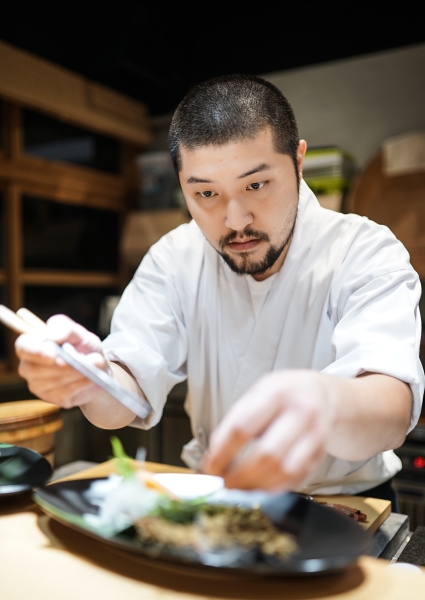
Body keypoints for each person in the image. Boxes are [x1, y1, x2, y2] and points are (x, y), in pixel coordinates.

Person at [15, 75, 424, 502]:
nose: (235, 219)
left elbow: (392, 407)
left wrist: (322, 402)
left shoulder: (363, 250)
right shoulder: (174, 258)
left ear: (298, 162)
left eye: (256, 185)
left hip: (346, 503)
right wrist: (90, 379)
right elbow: (126, 392)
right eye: (206, 193)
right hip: (218, 500)